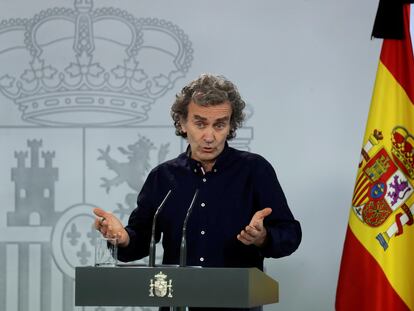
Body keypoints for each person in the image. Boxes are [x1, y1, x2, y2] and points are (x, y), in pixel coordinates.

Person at [93, 73, 302, 310]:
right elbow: (140, 239)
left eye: (220, 125)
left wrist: (263, 236)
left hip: (238, 304)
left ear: (230, 126)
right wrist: (122, 238)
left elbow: (290, 234)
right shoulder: (162, 177)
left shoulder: (255, 170)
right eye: (200, 123)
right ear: (182, 123)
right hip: (176, 305)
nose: (210, 136)